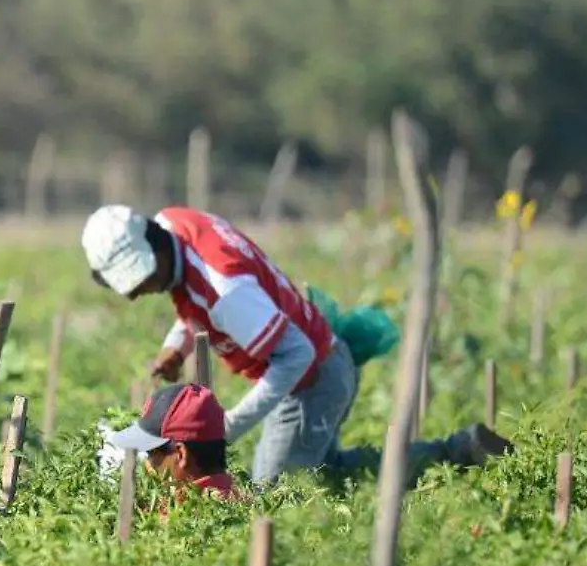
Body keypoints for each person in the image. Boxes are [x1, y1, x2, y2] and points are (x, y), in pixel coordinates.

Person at [81, 204, 510, 485]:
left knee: (273, 493)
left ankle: (456, 455)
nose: (137, 295)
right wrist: (177, 347)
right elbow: (190, 294)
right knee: (323, 472)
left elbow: (296, 354)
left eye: (139, 282)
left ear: (154, 250)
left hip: (312, 380)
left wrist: (228, 426)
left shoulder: (228, 293)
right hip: (322, 357)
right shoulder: (175, 225)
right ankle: (459, 451)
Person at [105, 382, 241, 500]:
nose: (147, 466)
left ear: (181, 454)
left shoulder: (180, 521)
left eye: (150, 454)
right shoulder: (245, 502)